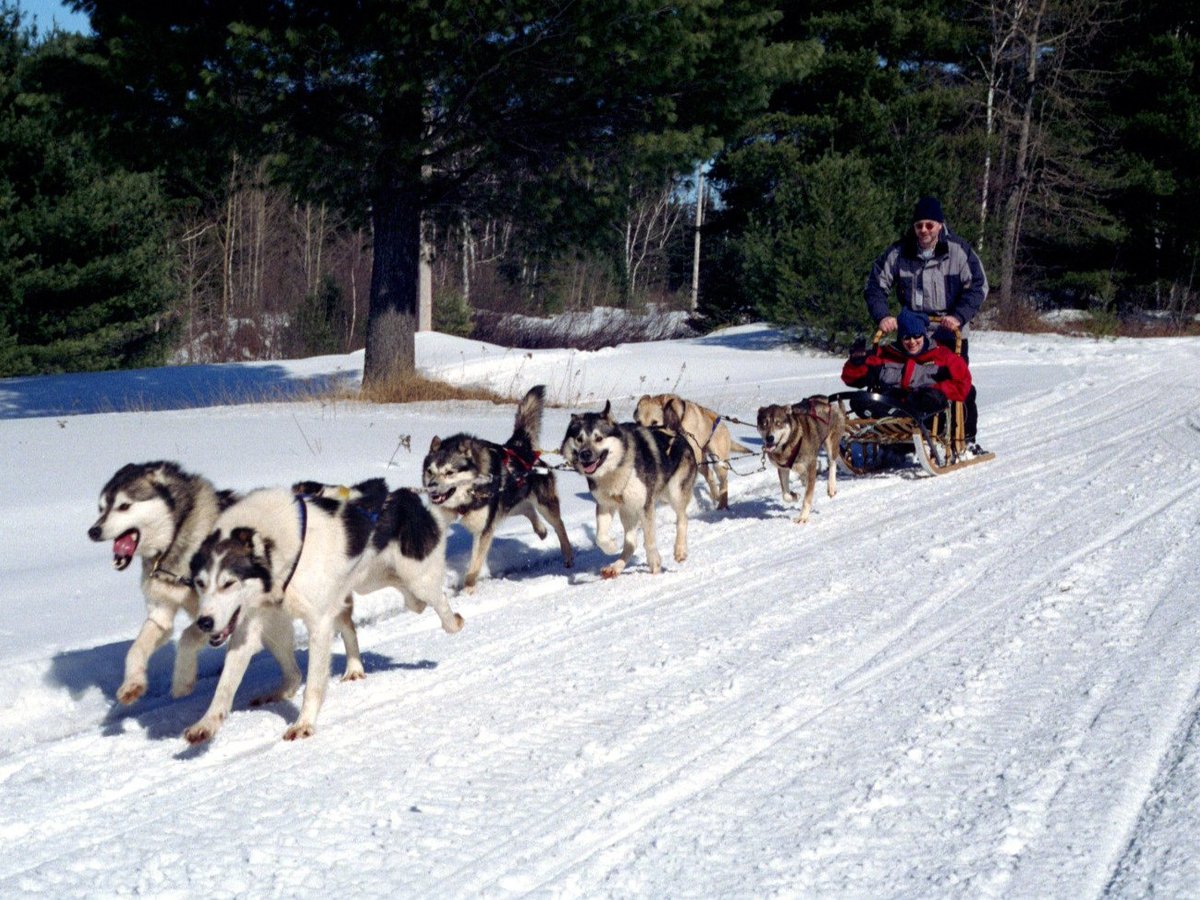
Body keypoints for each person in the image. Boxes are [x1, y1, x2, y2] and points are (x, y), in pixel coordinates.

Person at [864, 196, 988, 451]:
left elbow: (978, 286)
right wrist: (883, 316)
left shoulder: (958, 251)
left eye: (929, 225)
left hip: (948, 330)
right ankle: (899, 436)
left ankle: (964, 439)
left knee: (954, 385)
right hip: (913, 330)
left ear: (940, 225)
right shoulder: (899, 253)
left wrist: (958, 316)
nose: (924, 231)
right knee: (900, 383)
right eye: (919, 225)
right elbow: (875, 285)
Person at [841, 308, 972, 421]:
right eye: (907, 337)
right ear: (900, 338)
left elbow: (963, 383)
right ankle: (887, 425)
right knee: (859, 399)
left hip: (926, 411)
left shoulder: (943, 356)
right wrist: (856, 362)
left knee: (933, 400)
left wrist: (936, 391)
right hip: (891, 405)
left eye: (917, 336)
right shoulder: (886, 354)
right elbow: (851, 378)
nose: (912, 342)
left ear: (924, 335)